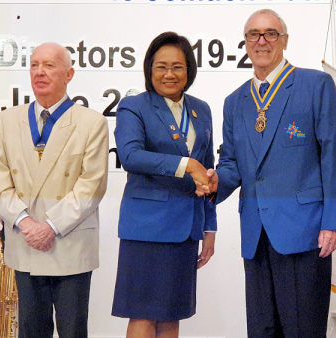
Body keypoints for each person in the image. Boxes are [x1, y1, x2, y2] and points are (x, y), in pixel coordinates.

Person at [200, 9, 336, 337]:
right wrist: (214, 183)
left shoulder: (315, 85)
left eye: (270, 33)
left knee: (302, 329)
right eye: (254, 34)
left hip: (305, 229)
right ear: (245, 43)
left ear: (285, 41)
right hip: (255, 232)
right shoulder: (235, 101)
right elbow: (232, 164)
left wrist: (333, 222)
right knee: (262, 329)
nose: (262, 40)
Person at [0, 42, 108, 338]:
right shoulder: (8, 120)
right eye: (34, 65)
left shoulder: (91, 122)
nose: (39, 72)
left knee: (72, 330)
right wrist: (26, 223)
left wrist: (51, 226)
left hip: (69, 242)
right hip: (25, 240)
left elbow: (91, 185)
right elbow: (0, 180)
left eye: (49, 65)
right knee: (30, 329)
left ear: (69, 74)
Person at [111, 31, 216, 338]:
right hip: (147, 229)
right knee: (144, 316)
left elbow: (207, 174)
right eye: (161, 66)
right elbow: (130, 156)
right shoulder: (134, 106)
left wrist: (209, 228)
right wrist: (186, 165)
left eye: (178, 66)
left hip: (186, 229)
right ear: (149, 69)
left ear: (189, 70)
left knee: (172, 316)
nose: (169, 74)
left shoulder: (202, 109)